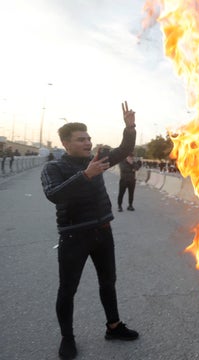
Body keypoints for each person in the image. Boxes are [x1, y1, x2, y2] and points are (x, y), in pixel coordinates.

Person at [41, 102, 139, 359]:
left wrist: (130, 127)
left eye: (88, 138)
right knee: (68, 289)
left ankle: (114, 327)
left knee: (108, 282)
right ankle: (67, 338)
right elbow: (54, 195)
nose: (87, 142)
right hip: (74, 236)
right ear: (65, 143)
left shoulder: (98, 159)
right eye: (81, 139)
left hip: (102, 233)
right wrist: (86, 175)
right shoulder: (54, 168)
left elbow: (125, 150)